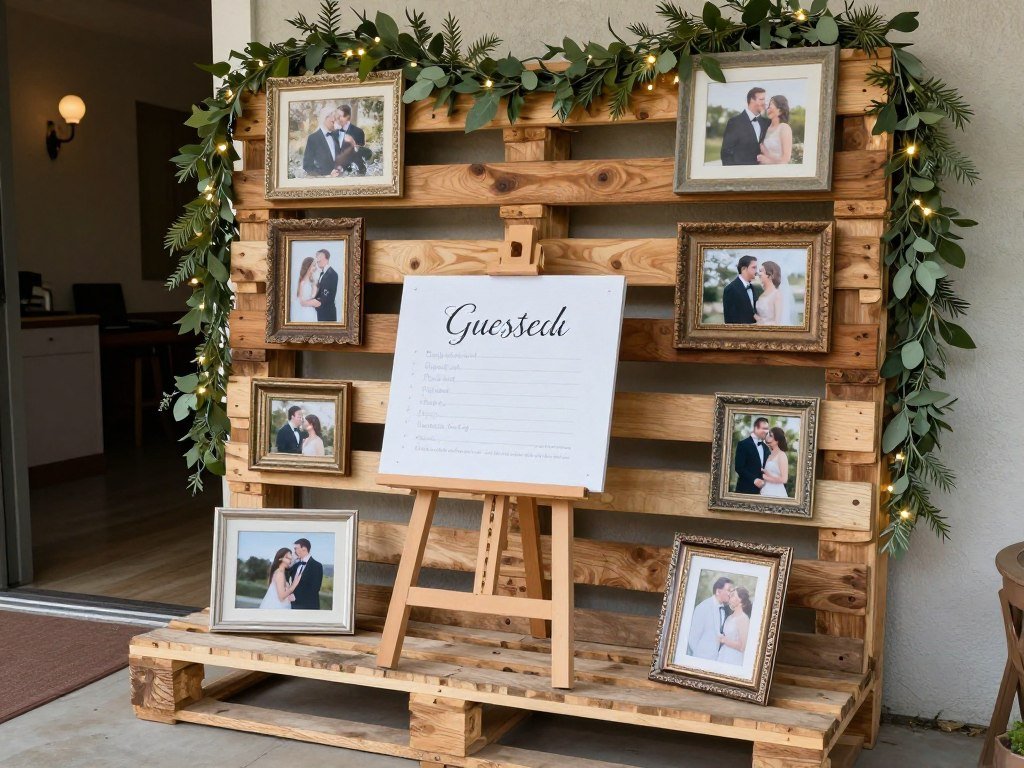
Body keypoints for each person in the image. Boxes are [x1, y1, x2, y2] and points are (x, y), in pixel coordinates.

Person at [686, 577, 734, 661]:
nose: (731, 594)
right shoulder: (703, 607)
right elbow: (692, 637)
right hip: (701, 658)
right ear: (718, 591)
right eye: (729, 590)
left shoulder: (723, 609)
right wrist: (699, 657)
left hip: (716, 658)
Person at [720, 87, 770, 166]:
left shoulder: (767, 123)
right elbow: (726, 153)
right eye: (761, 99)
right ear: (752, 100)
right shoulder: (734, 122)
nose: (765, 103)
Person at [302, 105, 341, 177]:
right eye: (333, 121)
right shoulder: (313, 138)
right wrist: (327, 176)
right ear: (325, 118)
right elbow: (307, 166)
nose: (336, 123)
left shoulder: (337, 135)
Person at [717, 586, 753, 665]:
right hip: (724, 654)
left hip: (734, 658)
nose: (730, 597)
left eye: (733, 595)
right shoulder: (729, 617)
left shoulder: (743, 619)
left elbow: (743, 647)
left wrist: (725, 641)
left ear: (741, 600)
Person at [332, 104, 370, 175]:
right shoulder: (334, 133)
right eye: (337, 116)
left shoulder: (358, 132)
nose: (338, 118)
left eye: (340, 116)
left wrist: (352, 142)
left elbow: (359, 154)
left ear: (348, 117)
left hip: (353, 172)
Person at [734, 417, 769, 494]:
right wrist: (754, 480)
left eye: (767, 429)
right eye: (764, 428)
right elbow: (739, 467)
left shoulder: (766, 448)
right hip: (744, 491)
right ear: (756, 428)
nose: (767, 431)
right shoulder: (743, 444)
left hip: (763, 492)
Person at [287, 538, 324, 610]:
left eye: (296, 548)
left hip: (308, 607)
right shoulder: (296, 565)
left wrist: (296, 597)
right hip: (293, 606)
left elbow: (315, 588)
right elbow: (284, 574)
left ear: (304, 549)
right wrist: (292, 560)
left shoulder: (317, 566)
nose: (294, 551)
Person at [755, 260, 795, 326]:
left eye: (761, 271)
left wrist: (761, 324)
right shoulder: (761, 294)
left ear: (770, 275)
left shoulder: (776, 295)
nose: (758, 274)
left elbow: (777, 323)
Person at [756, 96, 794, 165]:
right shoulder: (766, 128)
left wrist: (767, 159)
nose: (768, 109)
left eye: (770, 106)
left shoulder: (784, 128)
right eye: (768, 106)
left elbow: (786, 159)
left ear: (780, 111)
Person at [722, 255, 759, 325]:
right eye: (754, 267)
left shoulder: (753, 288)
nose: (756, 271)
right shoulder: (730, 289)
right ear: (743, 269)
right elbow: (729, 320)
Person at [760, 426, 790, 498]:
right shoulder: (770, 454)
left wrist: (766, 477)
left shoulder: (782, 455)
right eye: (768, 434)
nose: (768, 437)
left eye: (770, 436)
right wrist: (764, 472)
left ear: (777, 440)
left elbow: (784, 479)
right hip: (765, 489)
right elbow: (773, 474)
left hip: (776, 492)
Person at [312, 248, 339, 322]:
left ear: (327, 259)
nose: (318, 260)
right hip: (322, 312)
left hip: (328, 313)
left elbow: (326, 297)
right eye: (317, 257)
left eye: (320, 257)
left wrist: (312, 302)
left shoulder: (332, 274)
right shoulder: (323, 273)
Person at [292, 256, 320, 323]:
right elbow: (302, 302)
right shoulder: (303, 283)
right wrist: (314, 302)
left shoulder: (311, 282)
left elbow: (313, 296)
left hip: (310, 312)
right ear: (308, 267)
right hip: (306, 313)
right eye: (314, 266)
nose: (315, 268)